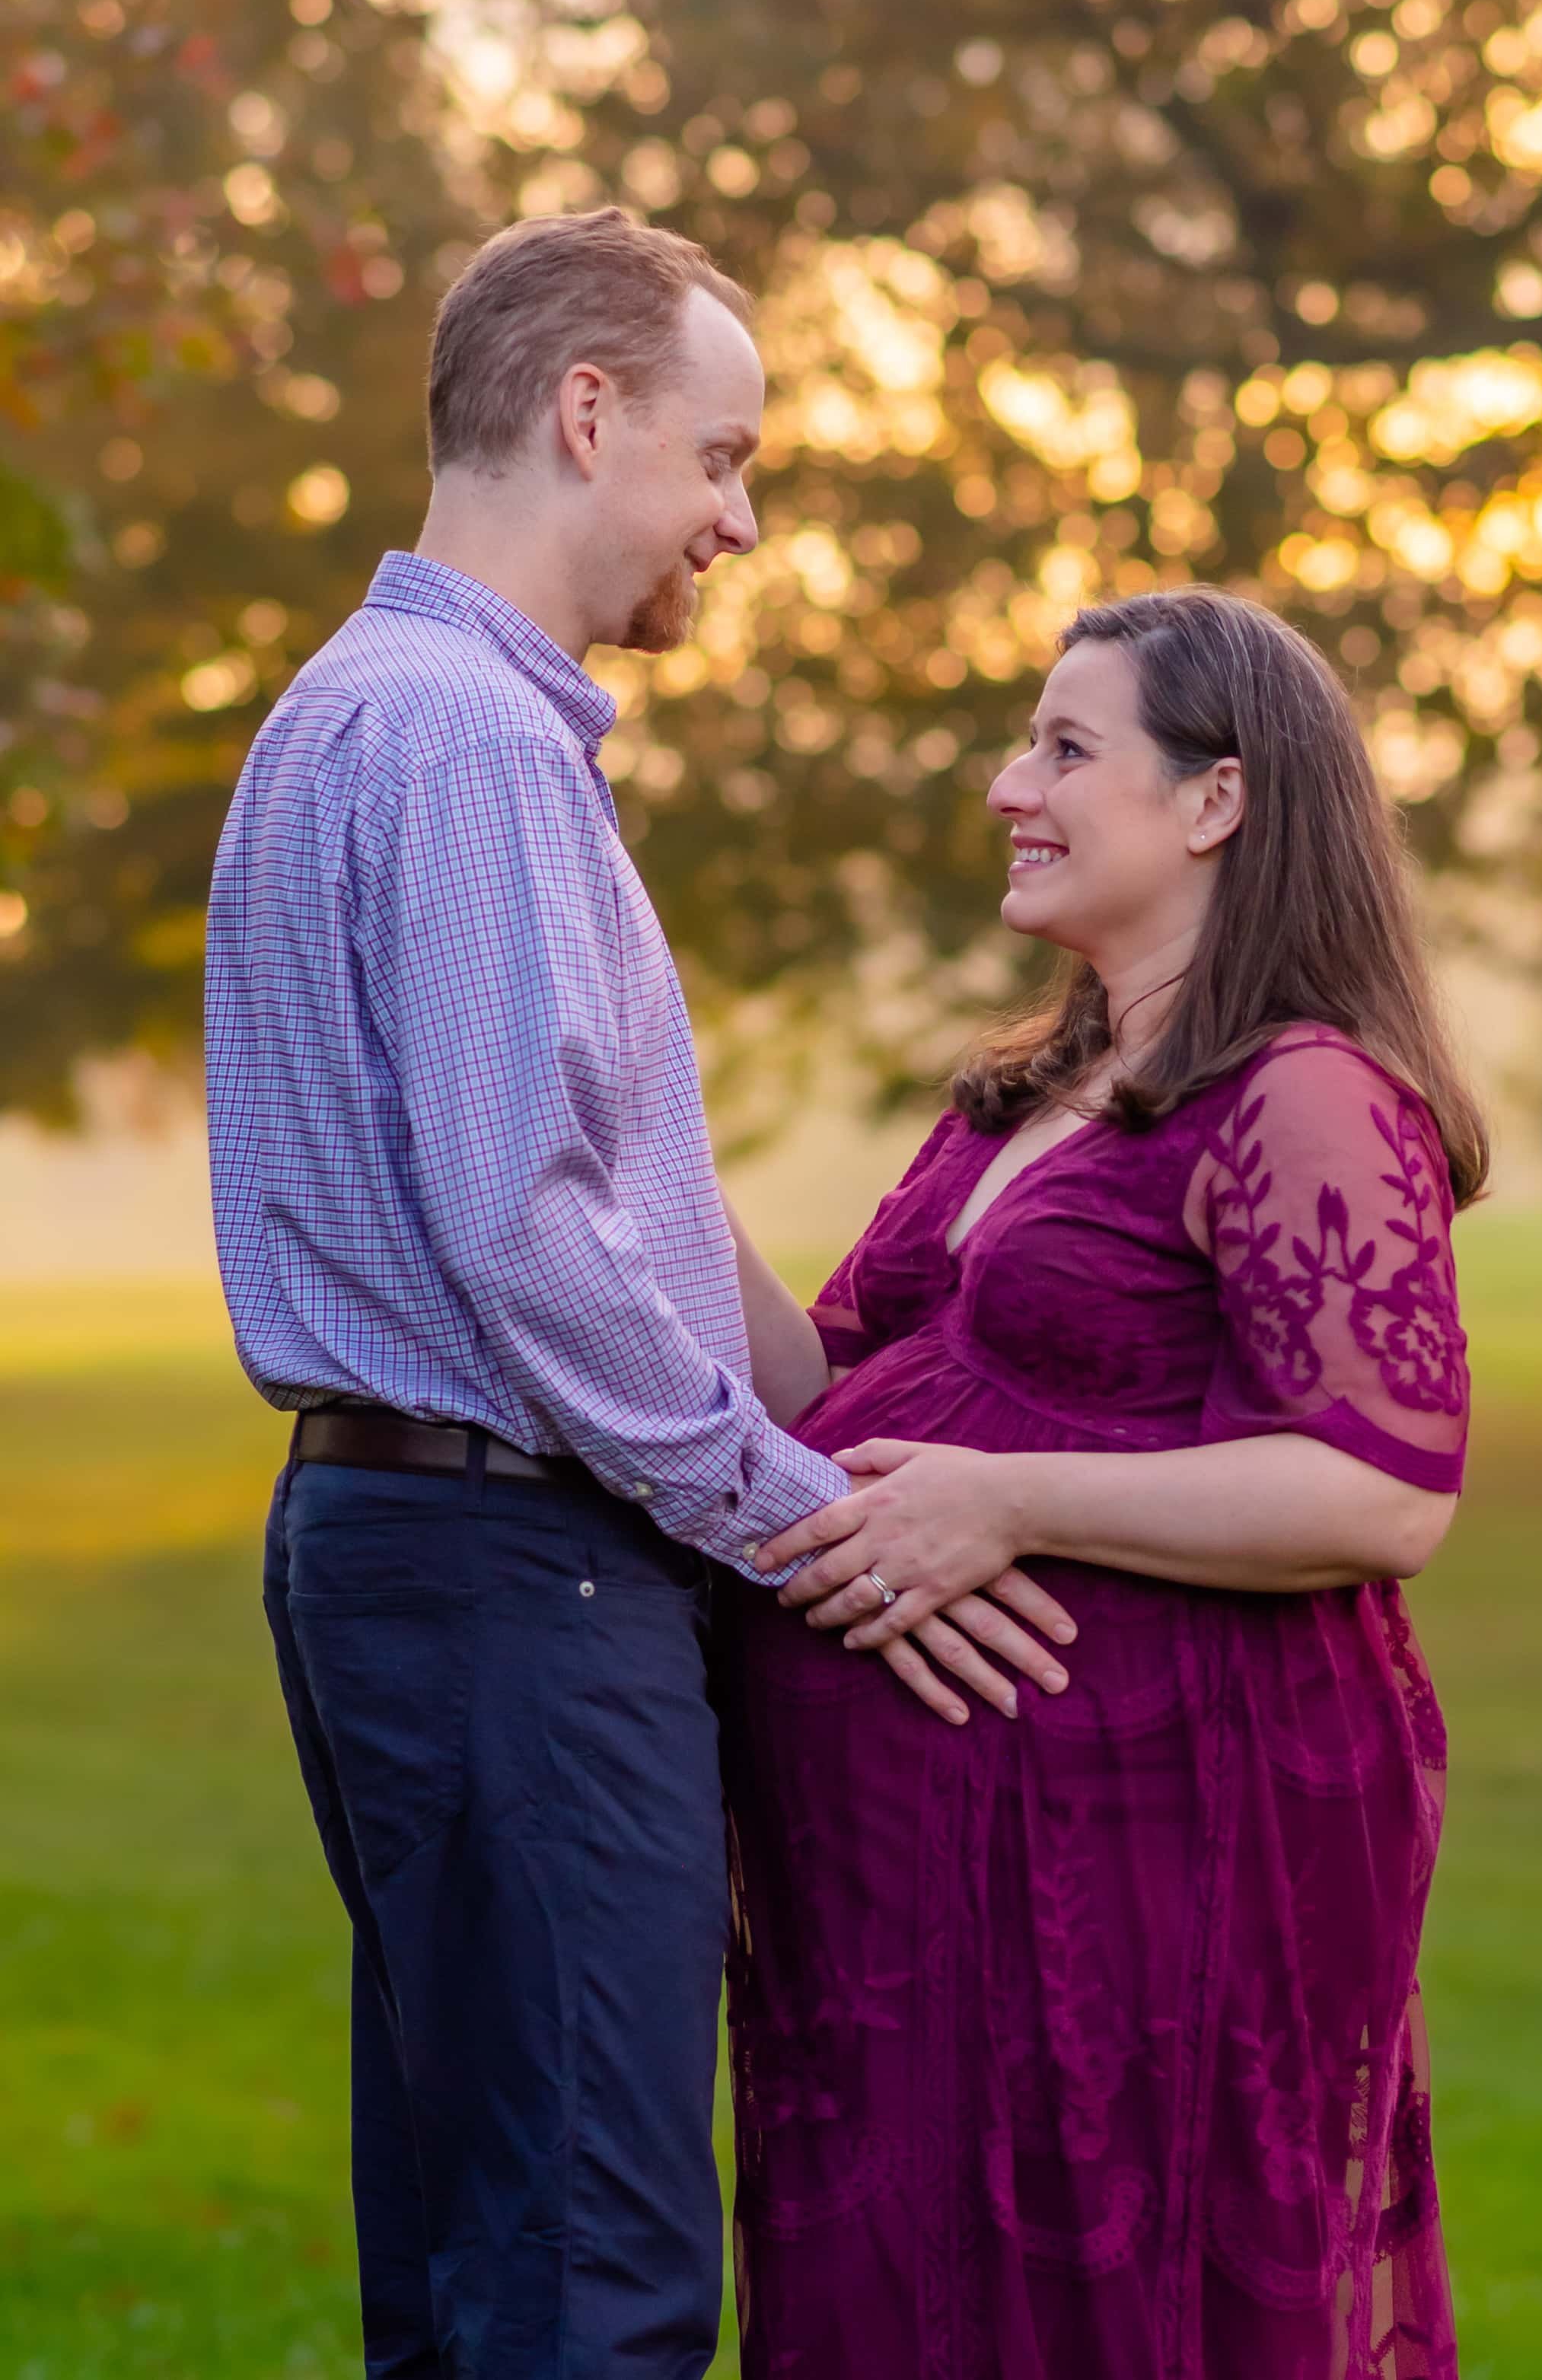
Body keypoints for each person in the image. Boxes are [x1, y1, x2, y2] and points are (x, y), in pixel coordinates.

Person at [205, 209, 1069, 2380]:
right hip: (521, 1566)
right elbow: (526, 1229)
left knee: (476, 2249)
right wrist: (784, 1507)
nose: (741, 519)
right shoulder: (472, 745)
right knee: (592, 2279)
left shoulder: (355, 710)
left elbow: (599, 1197)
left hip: (408, 1547)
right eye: (722, 455)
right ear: (587, 415)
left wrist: (878, 1369)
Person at [715, 586, 1486, 2380]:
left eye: (1066, 750)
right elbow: (827, 1385)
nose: (1009, 787)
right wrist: (641, 1163)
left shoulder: (1298, 1092)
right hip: (908, 1904)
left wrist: (1009, 1503)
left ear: (1215, 801)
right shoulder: (1031, 1092)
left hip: (1157, 1872)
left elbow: (1384, 1489)